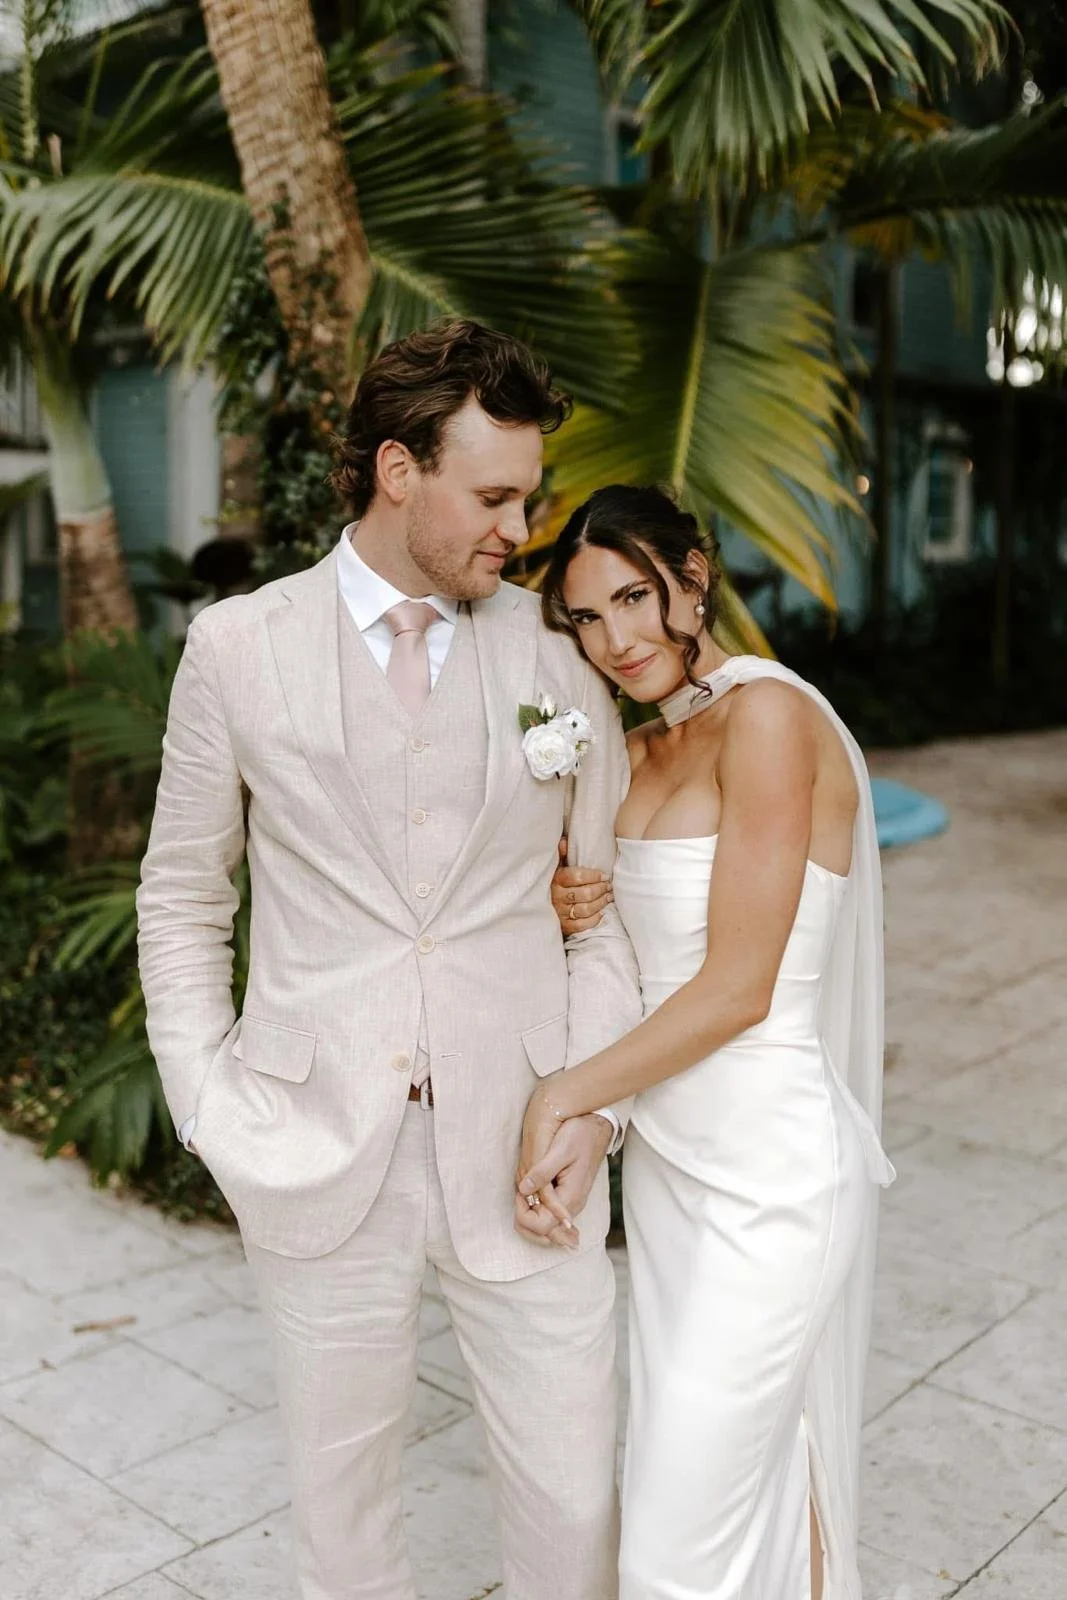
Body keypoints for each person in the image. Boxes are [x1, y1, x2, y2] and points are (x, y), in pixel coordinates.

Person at [136, 321, 643, 1600]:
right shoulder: (239, 647)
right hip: (313, 1136)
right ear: (394, 469)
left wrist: (592, 1106)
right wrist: (207, 1101)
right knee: (343, 1508)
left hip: (529, 1143)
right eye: (492, 494)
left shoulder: (556, 653)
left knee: (575, 1494)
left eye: (527, 494)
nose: (518, 527)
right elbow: (184, 893)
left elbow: (603, 914)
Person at [526, 485, 896, 1600]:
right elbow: (642, 975)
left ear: (693, 575)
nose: (616, 638)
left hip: (771, 1181)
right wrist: (572, 909)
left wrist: (562, 1096)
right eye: (585, 618)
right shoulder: (638, 752)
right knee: (750, 1490)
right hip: (678, 1179)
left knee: (668, 1552)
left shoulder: (769, 717)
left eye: (633, 597)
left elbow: (736, 988)